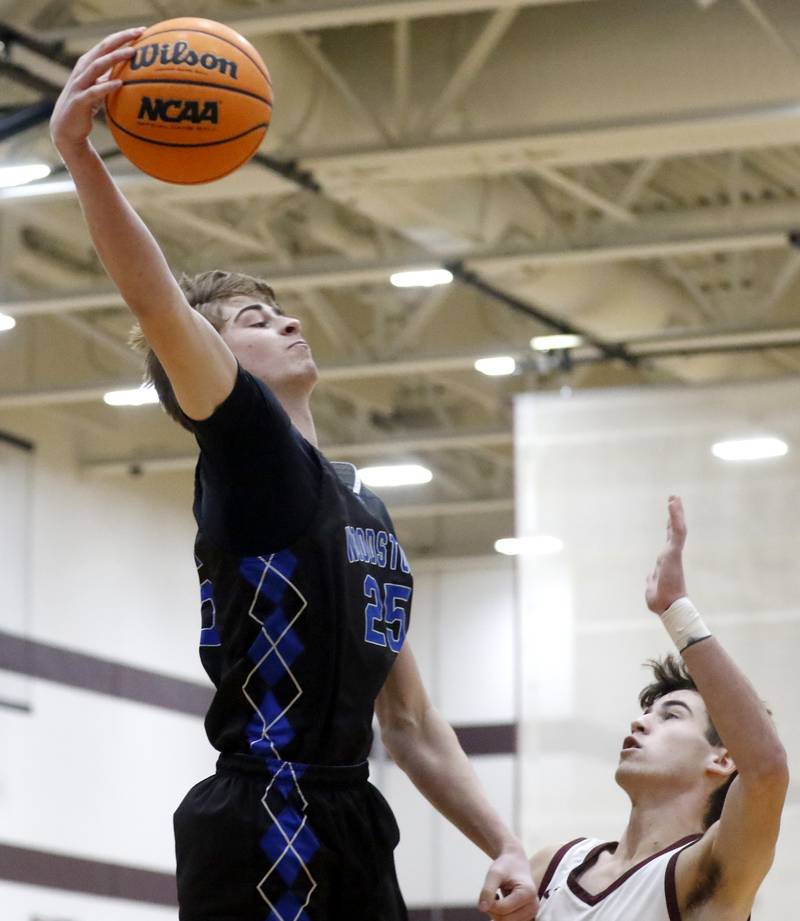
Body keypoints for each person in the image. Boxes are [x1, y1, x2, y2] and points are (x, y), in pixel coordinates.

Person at [49, 28, 537, 921]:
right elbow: (157, 301)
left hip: (353, 812)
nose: (283, 319)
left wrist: (502, 840)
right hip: (264, 814)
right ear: (204, 358)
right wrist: (81, 157)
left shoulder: (366, 506)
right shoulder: (251, 455)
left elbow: (413, 723)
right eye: (250, 316)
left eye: (278, 308)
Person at [530, 496, 789, 920]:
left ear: (723, 759)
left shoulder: (701, 870)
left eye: (671, 715)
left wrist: (676, 611)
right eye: (649, 712)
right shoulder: (552, 866)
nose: (642, 721)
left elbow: (767, 771)